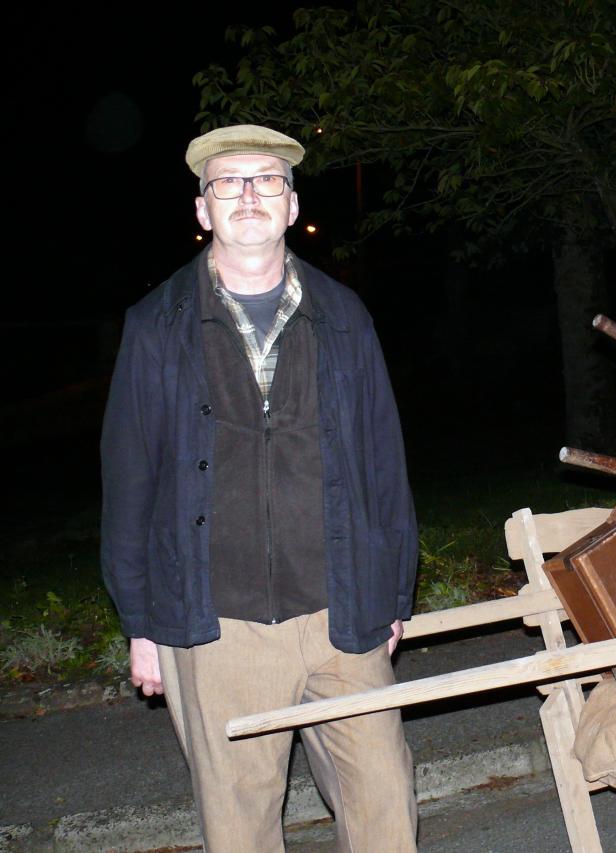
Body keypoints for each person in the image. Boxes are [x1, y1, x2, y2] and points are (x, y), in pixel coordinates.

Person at [100, 124, 418, 852]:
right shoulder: (156, 328)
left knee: (386, 808)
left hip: (342, 611)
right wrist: (141, 622)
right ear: (204, 208)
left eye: (266, 178)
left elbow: (384, 463)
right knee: (240, 825)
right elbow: (129, 481)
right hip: (219, 626)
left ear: (291, 200)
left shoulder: (343, 316)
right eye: (229, 182)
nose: (248, 194)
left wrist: (393, 593)